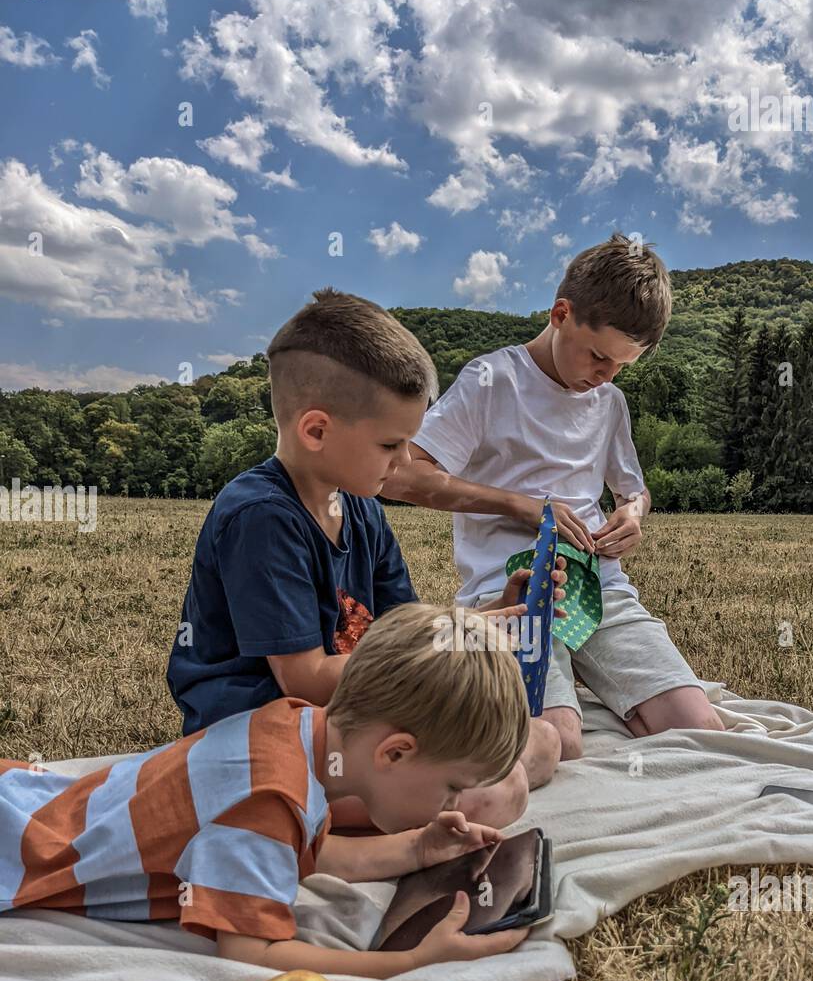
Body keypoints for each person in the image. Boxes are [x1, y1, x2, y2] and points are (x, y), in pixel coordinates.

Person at [166, 287, 561, 826]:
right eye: (389, 445)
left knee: (539, 740)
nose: (404, 462)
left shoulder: (361, 506)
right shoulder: (261, 517)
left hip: (349, 717)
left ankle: (369, 810)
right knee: (495, 791)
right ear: (317, 430)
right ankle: (295, 823)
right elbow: (303, 680)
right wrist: (458, 643)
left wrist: (482, 619)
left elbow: (402, 634)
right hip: (261, 737)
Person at [3, 605, 533, 979]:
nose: (450, 805)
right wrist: (407, 965)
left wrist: (417, 849)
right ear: (394, 752)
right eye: (452, 788)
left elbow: (303, 853)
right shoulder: (268, 799)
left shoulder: (298, 729)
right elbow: (250, 956)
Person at [390, 234, 724, 761]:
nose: (605, 376)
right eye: (597, 356)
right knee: (559, 742)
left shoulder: (609, 401)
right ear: (561, 314)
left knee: (696, 728)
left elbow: (633, 489)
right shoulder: (491, 379)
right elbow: (403, 476)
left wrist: (632, 514)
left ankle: (585, 687)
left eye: (621, 366)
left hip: (598, 586)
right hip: (511, 593)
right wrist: (523, 506)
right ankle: (549, 694)